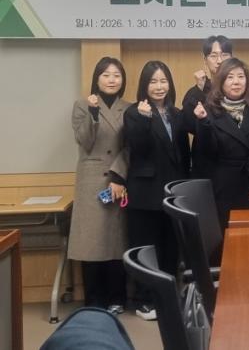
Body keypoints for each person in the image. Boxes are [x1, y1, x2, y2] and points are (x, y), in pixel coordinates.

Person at [123, 60, 190, 320]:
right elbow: (137, 149)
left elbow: (183, 153)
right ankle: (144, 300)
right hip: (145, 193)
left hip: (172, 193)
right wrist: (143, 120)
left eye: (163, 81)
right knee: (145, 248)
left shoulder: (176, 113)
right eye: (153, 82)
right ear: (144, 85)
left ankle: (168, 297)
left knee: (171, 248)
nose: (159, 86)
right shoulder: (134, 112)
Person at [69, 57, 130, 313]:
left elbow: (131, 146)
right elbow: (84, 140)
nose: (112, 80)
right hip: (91, 181)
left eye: (116, 75)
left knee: (116, 241)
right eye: (106, 75)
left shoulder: (130, 108)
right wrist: (93, 113)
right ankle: (94, 301)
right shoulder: (82, 105)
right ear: (97, 78)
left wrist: (118, 176)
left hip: (118, 180)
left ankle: (117, 298)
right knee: (91, 242)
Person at [192, 58, 249, 228]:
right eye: (230, 77)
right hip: (222, 185)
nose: (236, 82)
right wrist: (203, 122)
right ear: (221, 82)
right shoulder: (208, 110)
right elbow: (205, 152)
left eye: (241, 76)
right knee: (225, 234)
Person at [181, 35, 233, 177]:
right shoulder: (197, 91)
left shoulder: (241, 89)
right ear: (205, 60)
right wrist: (199, 89)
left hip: (235, 166)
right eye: (213, 56)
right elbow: (188, 124)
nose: (219, 61)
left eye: (224, 55)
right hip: (206, 165)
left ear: (232, 58)